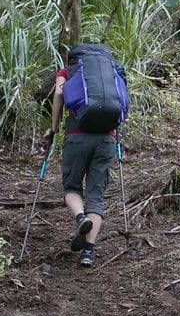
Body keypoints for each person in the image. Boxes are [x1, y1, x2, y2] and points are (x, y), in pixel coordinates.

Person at [41, 48, 125, 269]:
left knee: (71, 187)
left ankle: (80, 218)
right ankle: (88, 252)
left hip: (76, 137)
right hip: (106, 139)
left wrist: (54, 128)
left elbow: (59, 94)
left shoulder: (67, 71)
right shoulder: (111, 72)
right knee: (95, 196)